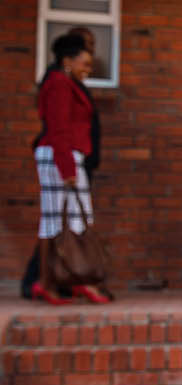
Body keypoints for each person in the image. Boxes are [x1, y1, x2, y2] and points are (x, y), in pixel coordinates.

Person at [31, 32, 109, 305]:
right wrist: (66, 168)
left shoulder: (65, 83)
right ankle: (47, 281)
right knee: (55, 219)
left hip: (65, 155)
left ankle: (75, 279)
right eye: (84, 64)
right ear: (67, 61)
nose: (88, 70)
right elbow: (58, 127)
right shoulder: (59, 84)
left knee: (76, 217)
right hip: (59, 156)